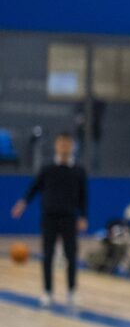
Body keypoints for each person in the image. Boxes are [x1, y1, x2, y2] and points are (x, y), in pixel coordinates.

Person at [10, 131, 87, 308]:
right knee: (48, 255)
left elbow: (84, 195)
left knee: (70, 255)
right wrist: (22, 203)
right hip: (49, 217)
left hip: (69, 218)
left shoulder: (78, 171)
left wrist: (83, 216)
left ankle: (72, 291)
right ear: (56, 145)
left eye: (67, 144)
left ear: (72, 146)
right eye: (61, 143)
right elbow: (34, 187)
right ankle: (47, 291)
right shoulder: (47, 168)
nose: (64, 147)